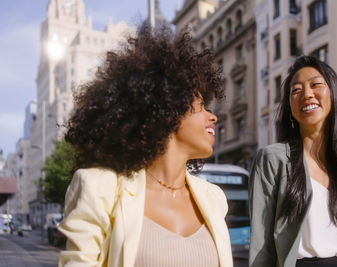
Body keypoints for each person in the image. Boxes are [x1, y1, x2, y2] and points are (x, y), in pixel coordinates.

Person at [58, 25, 233, 267]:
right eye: (201, 105)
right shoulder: (100, 188)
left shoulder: (213, 198)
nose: (212, 116)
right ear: (167, 110)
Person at [249, 56, 337, 267]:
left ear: (333, 94)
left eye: (316, 84)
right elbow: (262, 246)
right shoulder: (273, 160)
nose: (306, 95)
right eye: (296, 90)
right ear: (290, 107)